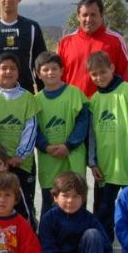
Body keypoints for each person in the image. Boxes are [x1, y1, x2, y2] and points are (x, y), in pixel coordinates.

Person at [87, 51, 128, 242]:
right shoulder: (93, 101)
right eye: (94, 74)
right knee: (103, 208)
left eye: (103, 72)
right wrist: (92, 162)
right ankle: (103, 241)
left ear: (112, 68)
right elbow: (91, 135)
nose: (99, 77)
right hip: (105, 167)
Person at [0, 52, 40, 227]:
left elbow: (31, 129)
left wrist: (20, 155)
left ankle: (27, 236)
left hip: (20, 163)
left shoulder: (28, 97)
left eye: (12, 68)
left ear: (18, 73)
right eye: (3, 68)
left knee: (23, 203)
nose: (8, 72)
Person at [33, 52, 89, 215]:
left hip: (73, 156)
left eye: (54, 69)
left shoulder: (75, 94)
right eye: (45, 70)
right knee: (50, 200)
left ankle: (79, 230)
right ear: (38, 74)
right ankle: (48, 231)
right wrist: (45, 146)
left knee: (76, 197)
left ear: (62, 71)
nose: (50, 73)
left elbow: (83, 123)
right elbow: (33, 128)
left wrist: (69, 145)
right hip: (48, 158)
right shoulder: (35, 101)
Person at [58, 0, 128, 97]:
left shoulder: (117, 41)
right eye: (85, 15)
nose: (88, 19)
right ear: (78, 17)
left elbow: (126, 77)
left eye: (93, 15)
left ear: (102, 15)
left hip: (107, 104)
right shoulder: (65, 42)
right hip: (73, 104)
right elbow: (59, 78)